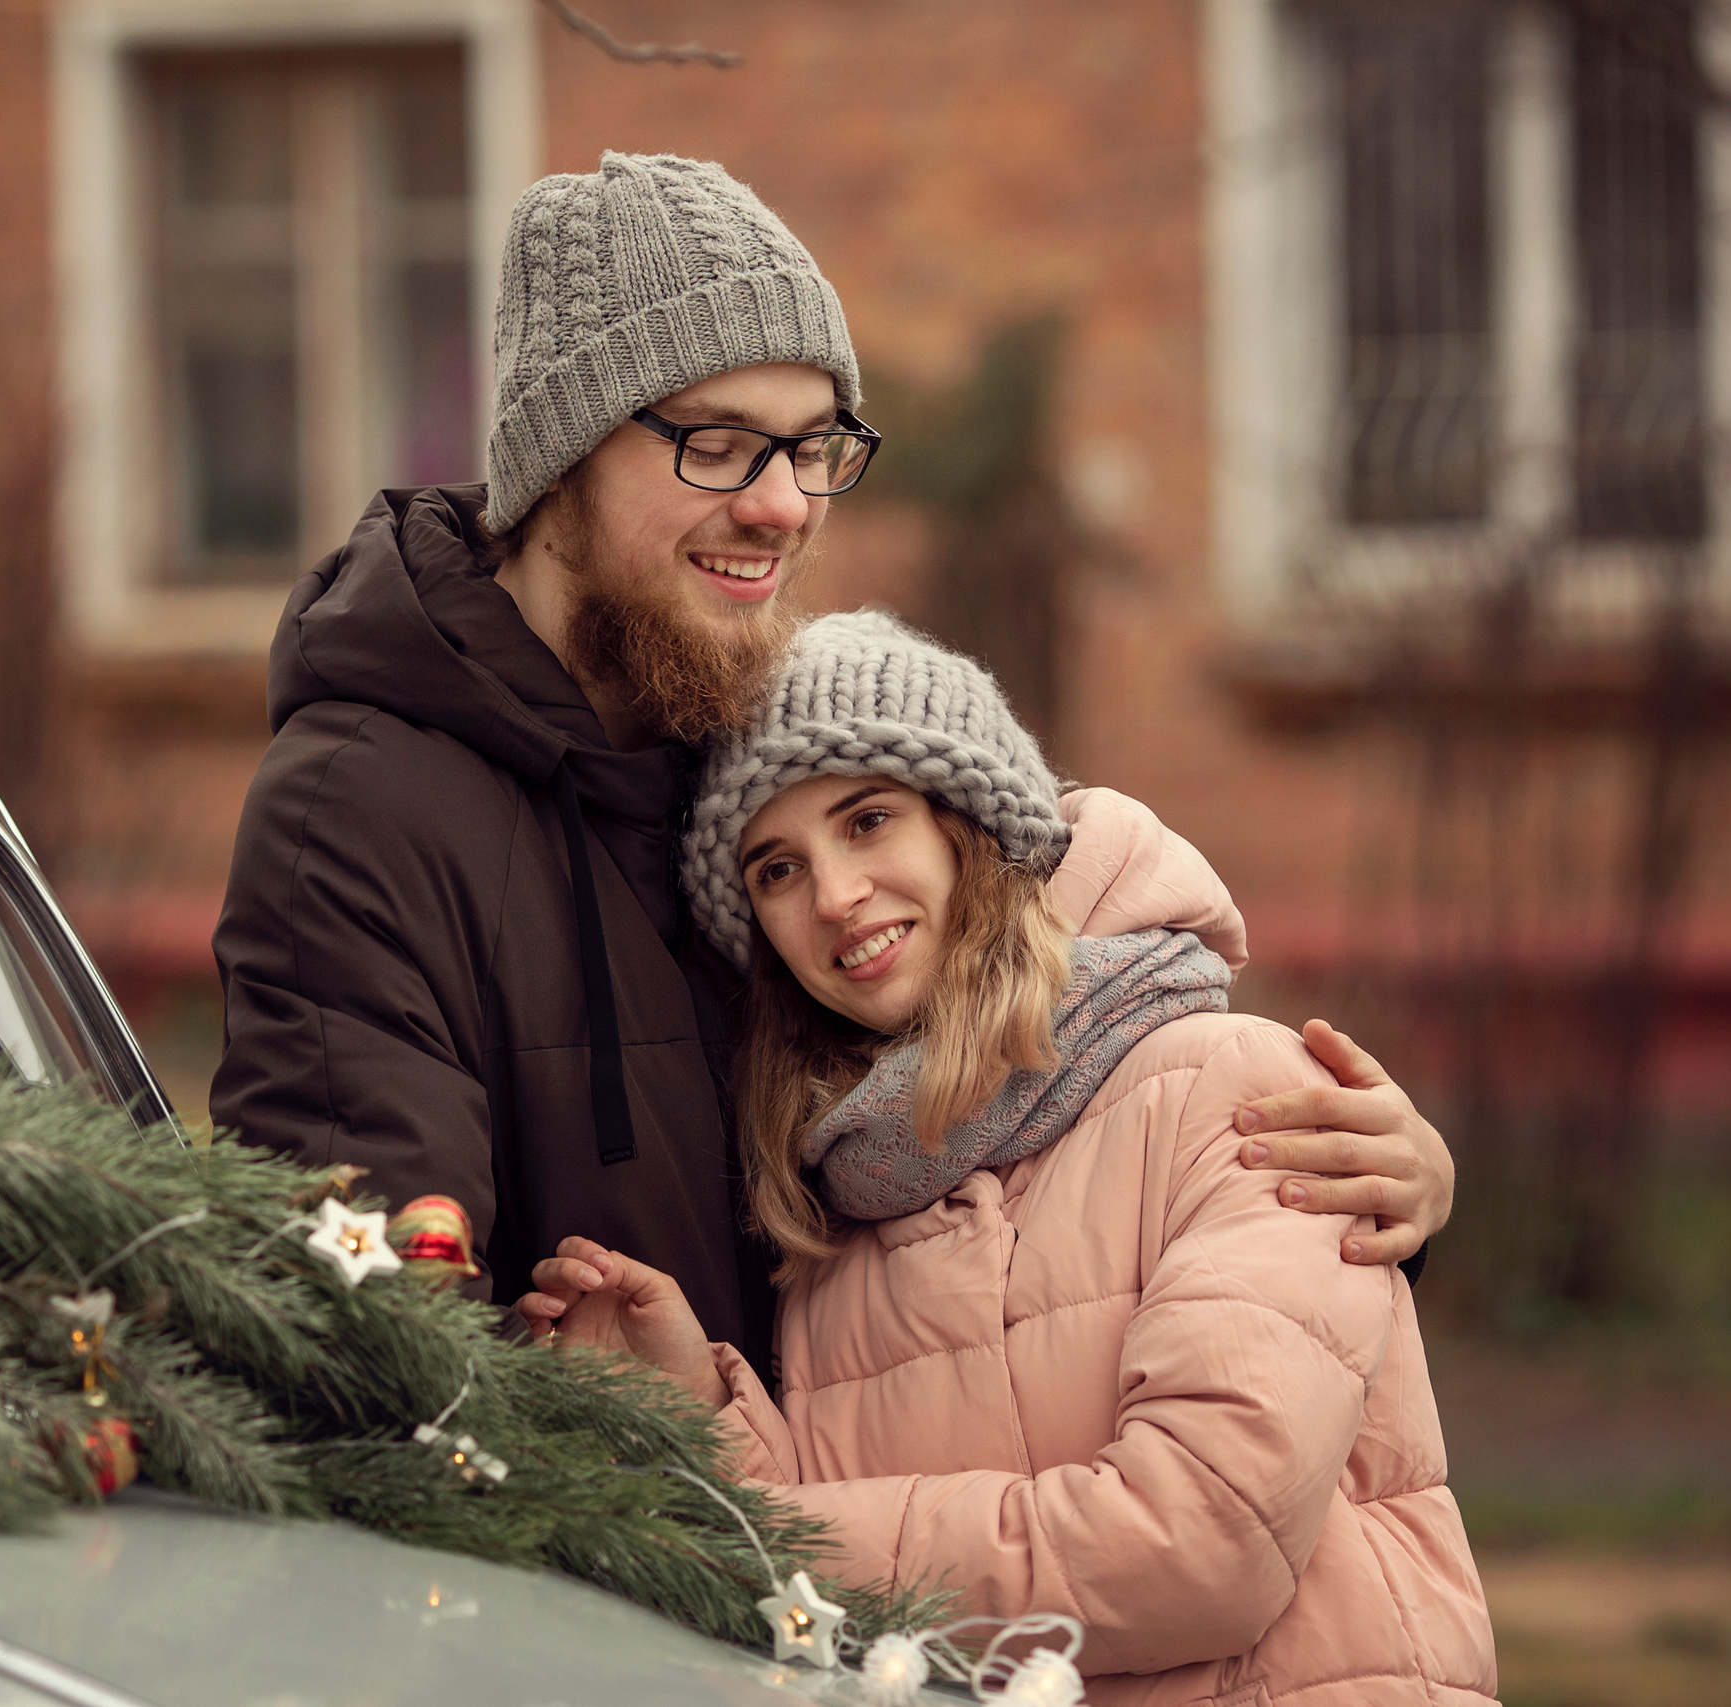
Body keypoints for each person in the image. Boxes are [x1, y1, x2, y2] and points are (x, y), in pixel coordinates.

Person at [211, 150, 1456, 1366]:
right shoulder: (360, 810)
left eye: (814, 448)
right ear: (560, 462)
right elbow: (356, 1334)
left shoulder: (773, 751)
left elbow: (1044, 1054)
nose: (785, 507)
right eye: (718, 443)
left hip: (872, 1556)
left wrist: (1351, 1178)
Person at [516, 611, 1497, 1704]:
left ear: (969, 828)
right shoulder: (836, 1207)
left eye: (869, 819)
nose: (834, 896)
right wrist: (688, 1414)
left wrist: (735, 1546)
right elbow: (841, 1612)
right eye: (776, 868)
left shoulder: (1234, 1092)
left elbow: (1203, 1544)